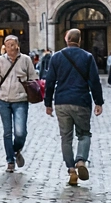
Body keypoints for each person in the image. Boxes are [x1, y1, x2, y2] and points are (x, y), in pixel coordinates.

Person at [44, 29, 104, 187]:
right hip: (81, 100)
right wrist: (99, 102)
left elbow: (49, 81)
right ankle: (81, 160)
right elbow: (94, 81)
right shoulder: (88, 57)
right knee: (84, 134)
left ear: (66, 39)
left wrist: (48, 103)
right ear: (79, 40)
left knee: (66, 137)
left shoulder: (56, 57)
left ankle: (71, 170)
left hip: (61, 102)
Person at [0, 34, 36, 172]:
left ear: (18, 45)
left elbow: (34, 78)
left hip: (20, 100)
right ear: (4, 47)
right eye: (7, 45)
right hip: (3, 100)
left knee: (20, 132)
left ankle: (16, 149)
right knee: (7, 132)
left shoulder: (26, 60)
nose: (10, 48)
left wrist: (29, 87)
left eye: (12, 44)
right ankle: (10, 161)